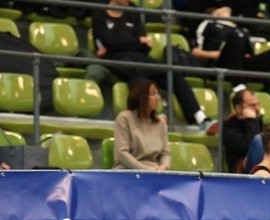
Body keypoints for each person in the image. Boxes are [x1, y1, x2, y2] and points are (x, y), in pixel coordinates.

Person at [92, 0, 216, 131]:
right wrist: (136, 42)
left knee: (173, 73)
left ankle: (200, 118)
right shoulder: (99, 15)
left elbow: (144, 45)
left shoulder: (133, 12)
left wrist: (130, 43)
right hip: (115, 58)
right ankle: (147, 116)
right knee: (136, 72)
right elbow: (109, 44)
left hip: (139, 56)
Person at [190, 5, 270, 101]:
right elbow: (195, 52)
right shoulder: (207, 24)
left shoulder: (240, 29)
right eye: (222, 8)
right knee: (234, 36)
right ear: (214, 12)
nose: (227, 8)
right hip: (219, 63)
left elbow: (248, 53)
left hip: (241, 64)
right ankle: (238, 85)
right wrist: (219, 54)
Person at [113, 79, 171, 170]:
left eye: (157, 93)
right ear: (141, 97)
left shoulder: (161, 122)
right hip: (128, 171)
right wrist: (146, 170)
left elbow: (165, 154)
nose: (158, 98)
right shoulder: (124, 118)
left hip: (154, 171)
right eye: (153, 94)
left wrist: (164, 167)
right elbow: (122, 153)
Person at [222, 88, 263, 172]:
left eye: (257, 104)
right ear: (238, 108)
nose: (257, 108)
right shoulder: (229, 128)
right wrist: (251, 121)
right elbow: (250, 147)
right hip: (243, 171)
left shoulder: (258, 122)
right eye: (252, 105)